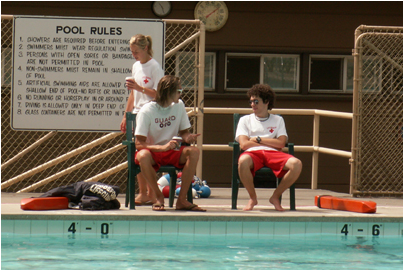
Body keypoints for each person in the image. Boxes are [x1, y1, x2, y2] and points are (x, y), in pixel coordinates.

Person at [134, 75, 206, 212]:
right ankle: (157, 196)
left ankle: (182, 200)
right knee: (142, 155)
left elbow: (184, 131)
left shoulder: (179, 106)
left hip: (172, 151)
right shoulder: (147, 111)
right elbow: (139, 144)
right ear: (169, 92)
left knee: (194, 152)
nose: (181, 93)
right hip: (153, 152)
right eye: (179, 90)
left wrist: (188, 137)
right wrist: (161, 147)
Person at [235, 84, 302, 211]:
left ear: (266, 102)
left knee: (297, 164)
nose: (252, 104)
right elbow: (244, 144)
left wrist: (258, 139)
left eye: (256, 101)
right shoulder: (245, 120)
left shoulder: (278, 120)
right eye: (251, 101)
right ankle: (252, 198)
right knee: (242, 161)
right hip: (252, 154)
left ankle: (275, 197)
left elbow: (281, 143)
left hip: (273, 154)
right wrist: (272, 142)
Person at [120, 34, 164, 206]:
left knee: (149, 154)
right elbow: (133, 93)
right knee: (138, 155)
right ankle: (143, 192)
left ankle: (153, 193)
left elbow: (160, 94)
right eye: (132, 52)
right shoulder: (136, 66)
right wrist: (126, 115)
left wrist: (140, 88)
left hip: (151, 114)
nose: (134, 55)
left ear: (145, 48)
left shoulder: (154, 67)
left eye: (136, 51)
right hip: (137, 114)